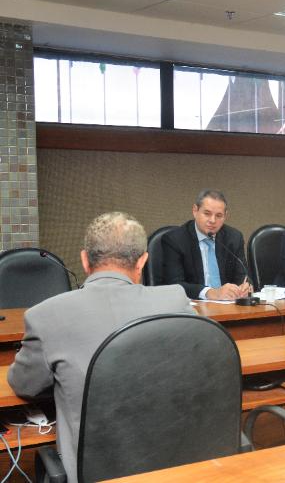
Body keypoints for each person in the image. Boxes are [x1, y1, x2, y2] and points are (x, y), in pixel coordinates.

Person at [8, 212, 193, 483]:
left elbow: (24, 384)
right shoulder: (176, 300)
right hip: (176, 468)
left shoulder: (45, 315)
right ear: (142, 261)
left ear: (85, 260)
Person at [161, 189, 252, 300]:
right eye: (207, 214)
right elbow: (174, 285)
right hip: (193, 306)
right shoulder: (175, 240)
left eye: (219, 215)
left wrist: (245, 287)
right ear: (195, 211)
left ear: (225, 216)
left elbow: (243, 276)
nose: (212, 220)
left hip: (229, 305)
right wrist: (211, 293)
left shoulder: (234, 238)